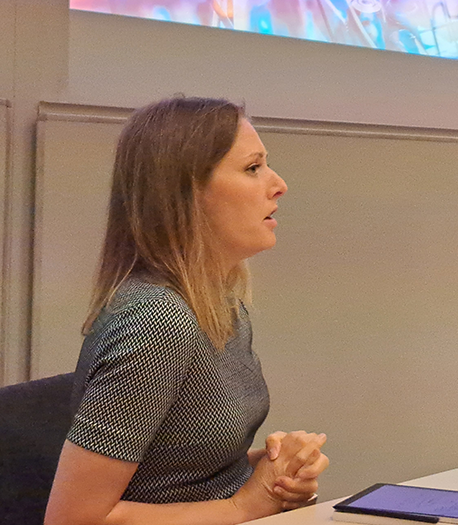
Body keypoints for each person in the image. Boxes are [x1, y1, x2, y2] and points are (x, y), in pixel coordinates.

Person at [45, 97, 329, 525]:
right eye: (253, 168)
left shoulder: (219, 303)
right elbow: (74, 519)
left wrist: (276, 477)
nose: (279, 184)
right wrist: (245, 506)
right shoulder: (156, 320)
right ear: (186, 193)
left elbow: (185, 474)